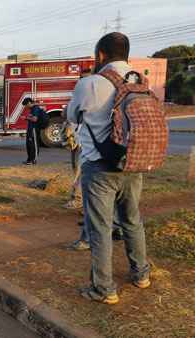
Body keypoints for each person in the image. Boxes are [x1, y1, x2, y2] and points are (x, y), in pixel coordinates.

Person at [67, 32, 150, 305]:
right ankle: (141, 274)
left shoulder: (90, 83)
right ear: (126, 53)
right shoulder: (139, 81)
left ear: (101, 54)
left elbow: (71, 116)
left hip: (99, 168)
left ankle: (104, 289)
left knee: (100, 228)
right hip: (133, 162)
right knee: (132, 220)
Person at [21, 97, 46, 165]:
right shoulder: (32, 109)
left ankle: (33, 160)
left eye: (26, 105)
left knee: (33, 145)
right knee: (29, 145)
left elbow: (35, 119)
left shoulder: (35, 108)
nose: (25, 107)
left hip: (34, 129)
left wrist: (26, 118)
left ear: (29, 103)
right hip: (31, 129)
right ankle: (29, 160)